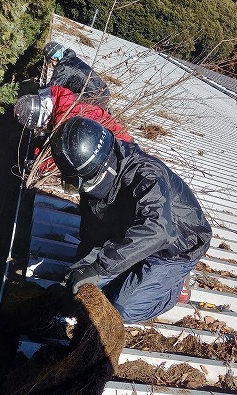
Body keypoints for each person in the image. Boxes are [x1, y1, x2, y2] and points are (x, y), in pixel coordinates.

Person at [50, 117, 212, 323]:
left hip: (176, 247)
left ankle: (175, 287)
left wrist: (100, 268)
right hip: (134, 236)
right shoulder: (90, 175)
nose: (82, 190)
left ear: (104, 169)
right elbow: (93, 235)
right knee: (91, 291)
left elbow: (157, 229)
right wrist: (80, 271)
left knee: (120, 308)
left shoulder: (145, 174)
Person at [13, 85, 131, 174]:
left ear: (44, 117)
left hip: (120, 152)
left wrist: (39, 166)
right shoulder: (63, 106)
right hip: (120, 142)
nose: (43, 128)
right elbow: (50, 140)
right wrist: (36, 153)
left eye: (41, 126)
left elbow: (60, 156)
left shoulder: (67, 125)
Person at [44, 41, 110, 108]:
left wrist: (37, 91)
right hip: (105, 92)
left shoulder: (63, 67)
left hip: (93, 97)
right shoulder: (71, 58)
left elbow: (51, 89)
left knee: (64, 102)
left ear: (55, 58)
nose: (52, 64)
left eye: (50, 61)